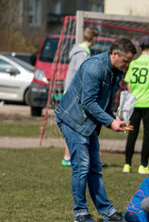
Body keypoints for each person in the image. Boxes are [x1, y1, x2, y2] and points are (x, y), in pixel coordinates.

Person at [55, 38, 136, 222]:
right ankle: (80, 213)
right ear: (114, 54)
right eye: (125, 61)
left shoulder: (116, 72)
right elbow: (88, 102)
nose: (127, 65)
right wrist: (110, 122)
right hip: (72, 119)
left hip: (88, 122)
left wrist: (114, 121)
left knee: (94, 168)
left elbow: (102, 103)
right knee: (82, 166)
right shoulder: (95, 67)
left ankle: (107, 212)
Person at [123, 35, 149, 175]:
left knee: (131, 134)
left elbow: (128, 84)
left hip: (135, 103)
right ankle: (143, 165)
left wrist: (132, 99)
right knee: (147, 135)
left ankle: (127, 164)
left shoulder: (133, 63)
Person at [61, 26, 99, 167]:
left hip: (71, 93)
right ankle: (68, 157)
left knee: (75, 125)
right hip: (74, 95)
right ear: (94, 39)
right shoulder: (82, 54)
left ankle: (70, 156)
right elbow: (81, 75)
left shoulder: (81, 51)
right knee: (74, 126)